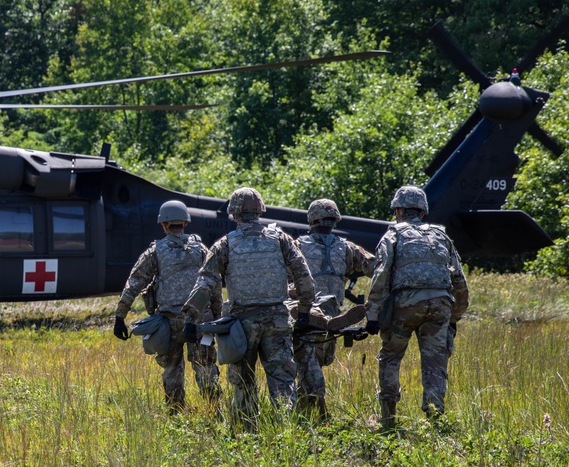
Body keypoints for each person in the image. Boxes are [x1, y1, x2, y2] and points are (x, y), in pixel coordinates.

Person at [183, 187, 315, 431]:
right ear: (260, 210)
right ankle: (286, 431)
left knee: (242, 380)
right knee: (283, 379)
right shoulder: (281, 240)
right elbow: (303, 275)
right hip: (277, 320)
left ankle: (247, 433)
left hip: (241, 325)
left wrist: (191, 317)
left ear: (233, 214)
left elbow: (206, 282)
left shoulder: (225, 244)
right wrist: (305, 310)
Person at [365, 185, 469, 429]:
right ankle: (435, 420)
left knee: (391, 357)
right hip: (441, 306)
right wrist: (454, 317)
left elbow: (380, 277)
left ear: (398, 210)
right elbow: (459, 281)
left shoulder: (393, 235)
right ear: (422, 211)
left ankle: (388, 419)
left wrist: (372, 315)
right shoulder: (442, 236)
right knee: (435, 363)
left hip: (405, 306)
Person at [112, 200, 222, 412]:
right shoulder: (201, 250)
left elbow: (134, 283)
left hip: (170, 321)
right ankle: (214, 411)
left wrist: (120, 317)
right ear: (186, 223)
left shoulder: (155, 251)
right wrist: (216, 315)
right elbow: (214, 283)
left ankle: (175, 412)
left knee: (172, 369)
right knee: (205, 367)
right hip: (201, 319)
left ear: (163, 225)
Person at [293, 198, 375, 419]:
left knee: (308, 364)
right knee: (315, 364)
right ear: (334, 220)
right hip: (332, 312)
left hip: (304, 315)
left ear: (312, 219)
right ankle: (317, 415)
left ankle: (303, 414)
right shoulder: (346, 247)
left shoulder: (297, 246)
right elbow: (375, 267)